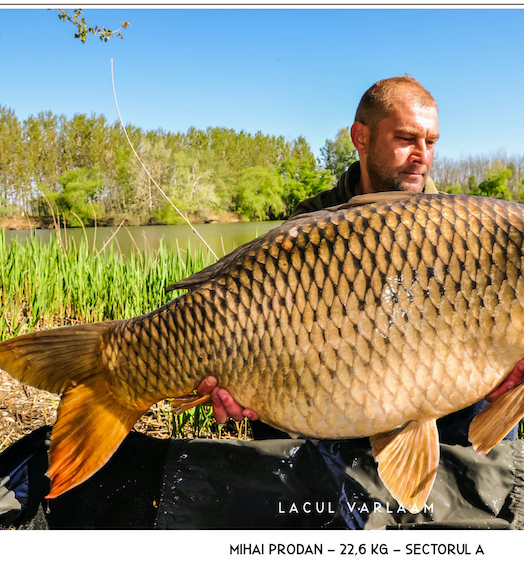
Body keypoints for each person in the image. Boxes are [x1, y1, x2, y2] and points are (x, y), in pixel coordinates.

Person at [196, 75, 503, 445]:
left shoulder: (461, 229)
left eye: (431, 142)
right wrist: (239, 385)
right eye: (406, 139)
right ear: (361, 137)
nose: (422, 156)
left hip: (428, 390)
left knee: (487, 400)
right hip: (337, 389)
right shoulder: (312, 220)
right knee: (269, 413)